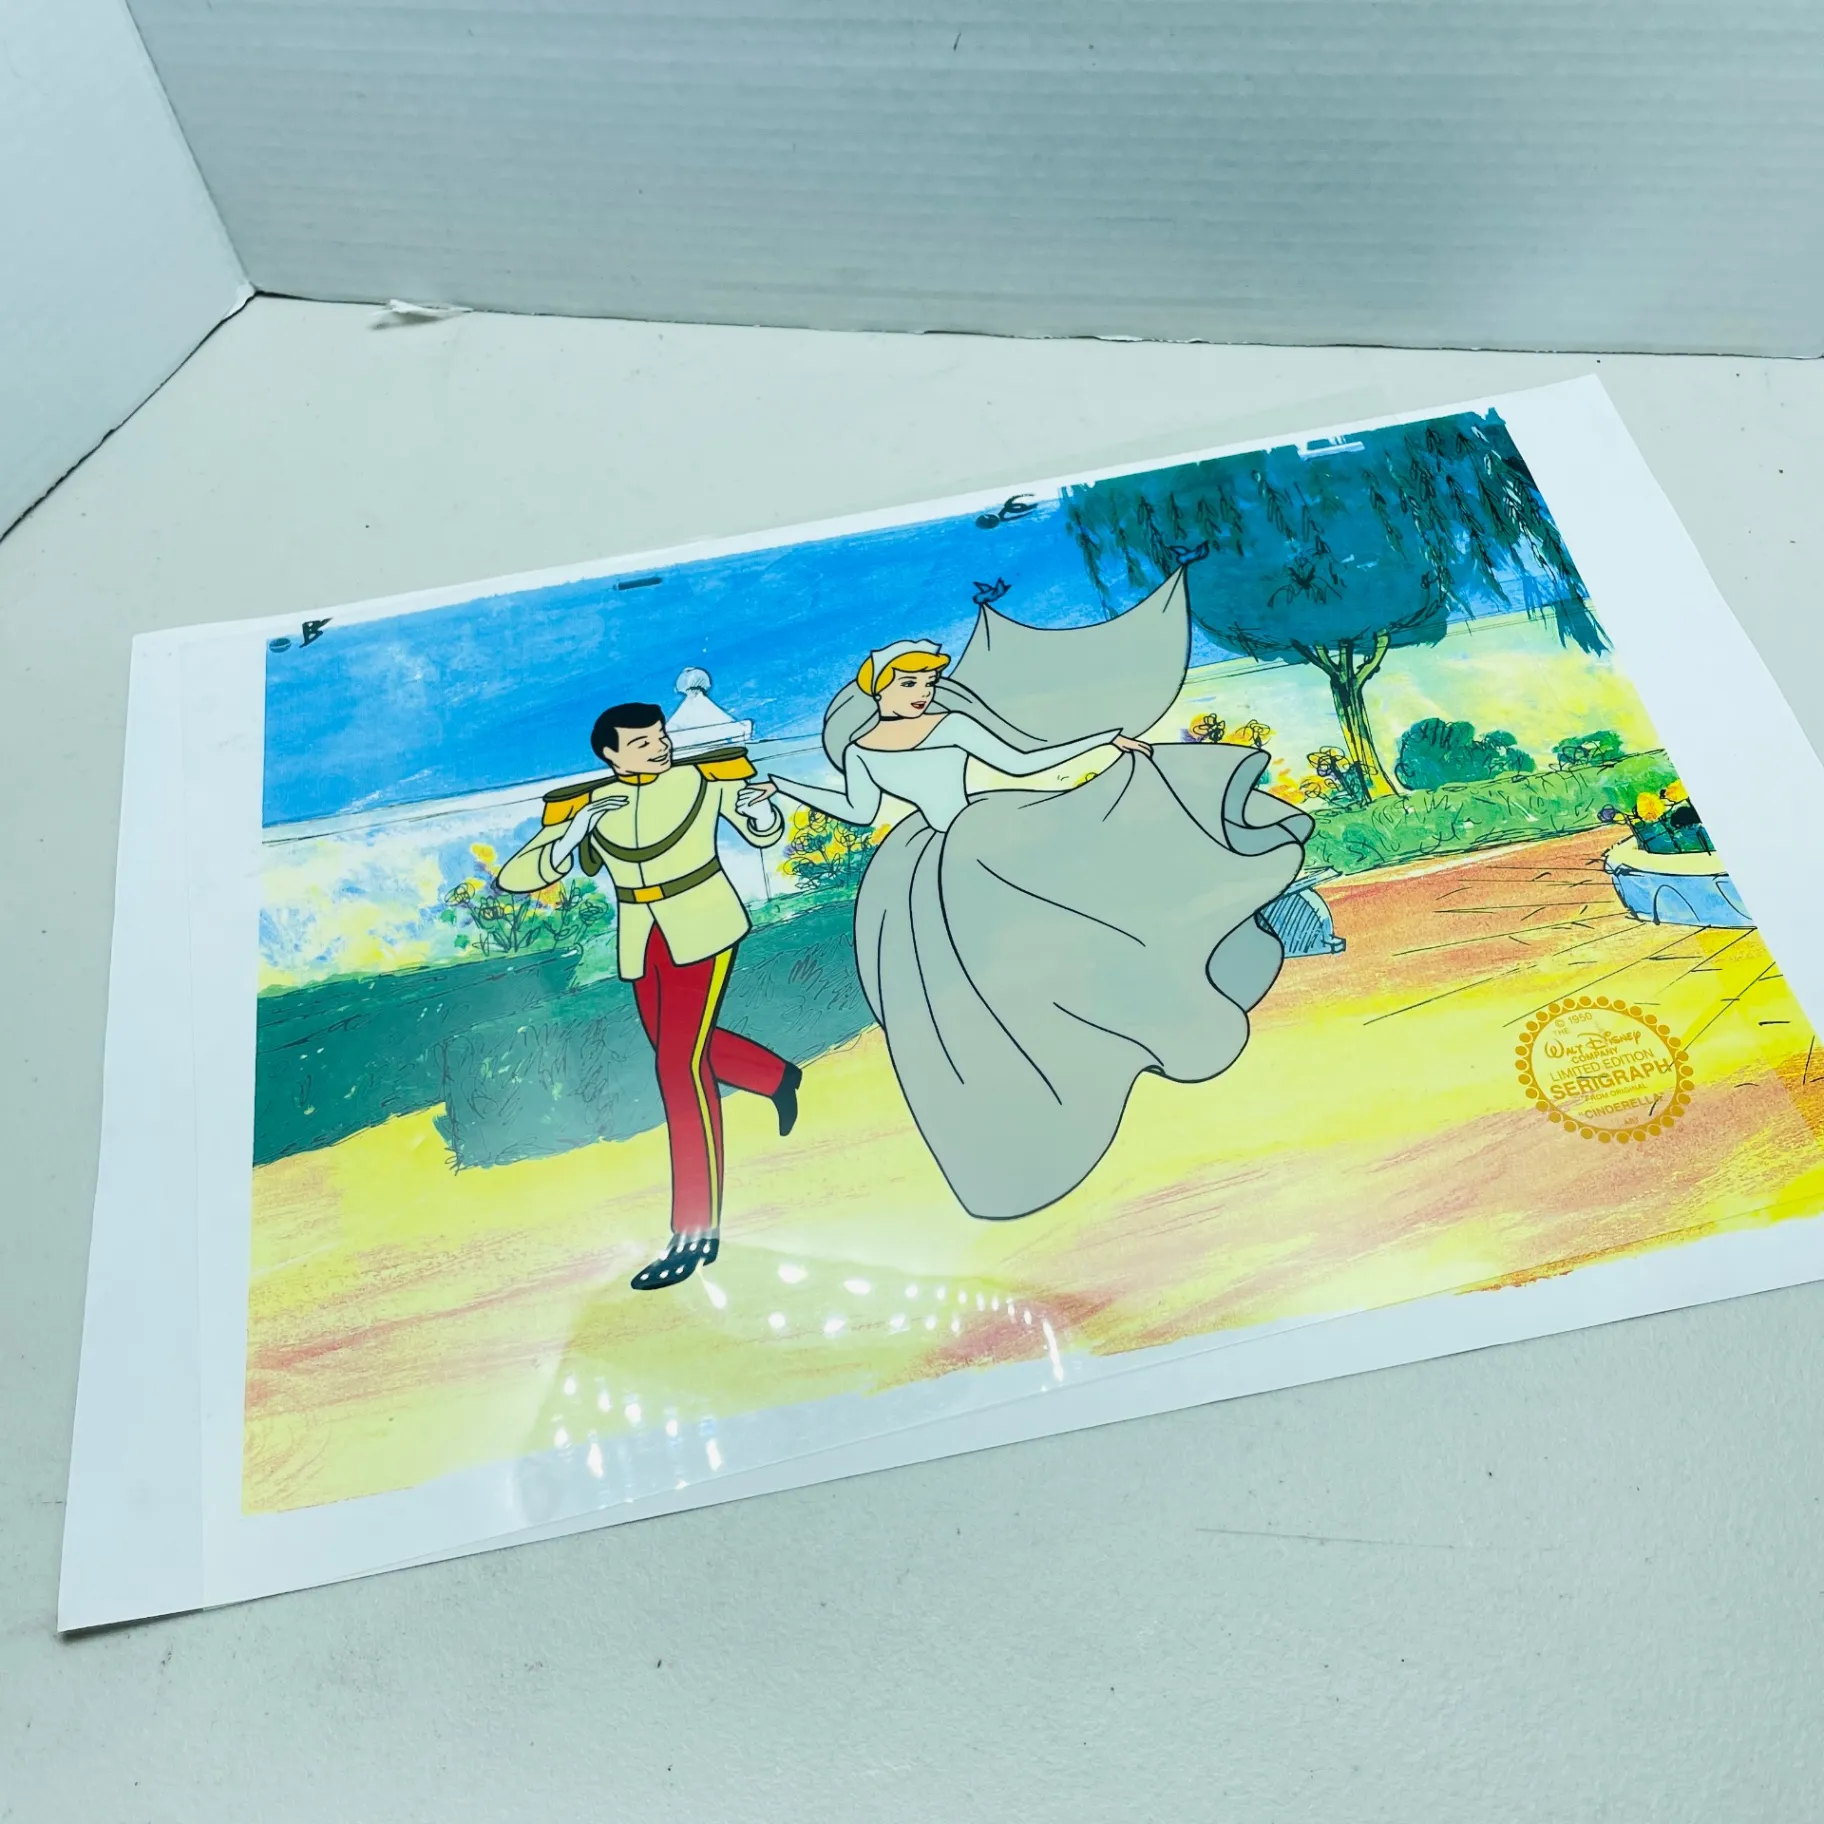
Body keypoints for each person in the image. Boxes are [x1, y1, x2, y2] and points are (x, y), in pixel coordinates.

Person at [747, 569, 1312, 1220]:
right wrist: (784, 787)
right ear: (880, 688)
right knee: (967, 983)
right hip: (923, 867)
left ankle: (1135, 1014)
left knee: (1080, 916)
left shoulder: (951, 725)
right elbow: (857, 809)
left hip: (987, 837)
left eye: (928, 683)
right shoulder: (863, 750)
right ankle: (1019, 1095)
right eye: (909, 684)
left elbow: (1021, 762)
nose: (922, 693)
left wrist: (1103, 741)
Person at [496, 703, 799, 1290]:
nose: (659, 748)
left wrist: (760, 811)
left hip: (703, 924)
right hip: (641, 936)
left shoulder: (701, 779)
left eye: (660, 737)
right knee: (677, 1050)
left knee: (678, 1067)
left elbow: (762, 831)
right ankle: (774, 1075)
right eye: (641, 743)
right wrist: (575, 831)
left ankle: (696, 1232)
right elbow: (515, 877)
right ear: (609, 754)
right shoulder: (589, 805)